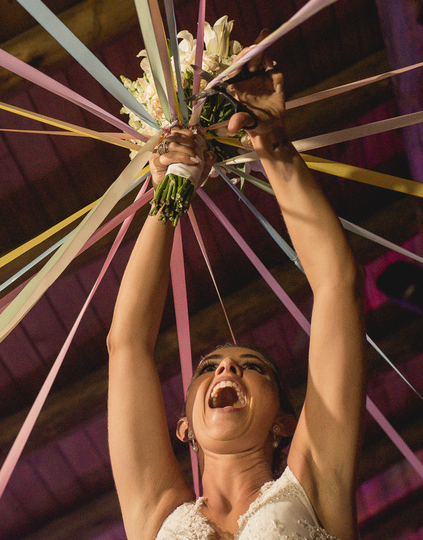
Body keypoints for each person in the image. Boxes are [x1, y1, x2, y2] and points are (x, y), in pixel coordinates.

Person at [106, 50, 366, 540]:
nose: (226, 369)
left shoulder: (315, 484)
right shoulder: (154, 512)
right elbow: (126, 346)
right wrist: (169, 191)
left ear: (285, 424)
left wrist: (273, 146)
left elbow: (338, 288)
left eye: (253, 366)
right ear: (184, 428)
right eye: (208, 368)